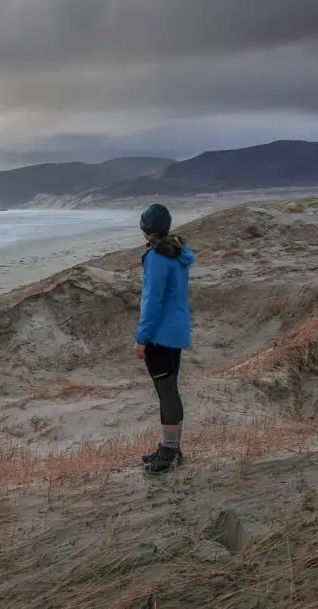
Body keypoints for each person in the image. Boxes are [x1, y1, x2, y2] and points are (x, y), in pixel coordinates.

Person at [134, 203, 194, 476]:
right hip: (176, 330)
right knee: (170, 390)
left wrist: (141, 338)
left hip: (160, 334)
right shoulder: (178, 252)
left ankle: (168, 454)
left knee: (166, 393)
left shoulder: (157, 257)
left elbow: (152, 301)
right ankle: (172, 447)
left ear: (146, 230)